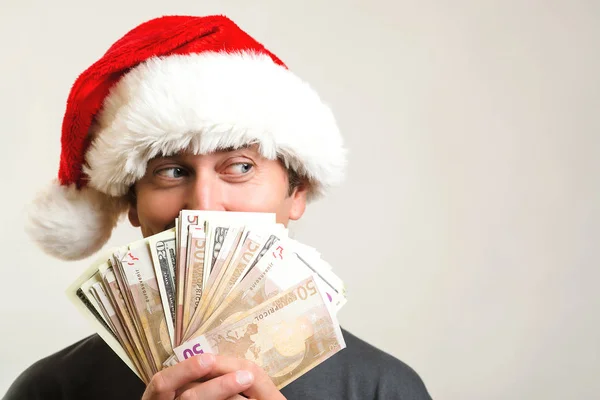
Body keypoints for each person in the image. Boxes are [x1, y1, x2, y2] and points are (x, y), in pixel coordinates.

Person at [4, 15, 432, 400]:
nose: (203, 207)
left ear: (297, 192)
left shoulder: (385, 390)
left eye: (240, 167)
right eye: (170, 172)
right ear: (131, 204)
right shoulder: (49, 390)